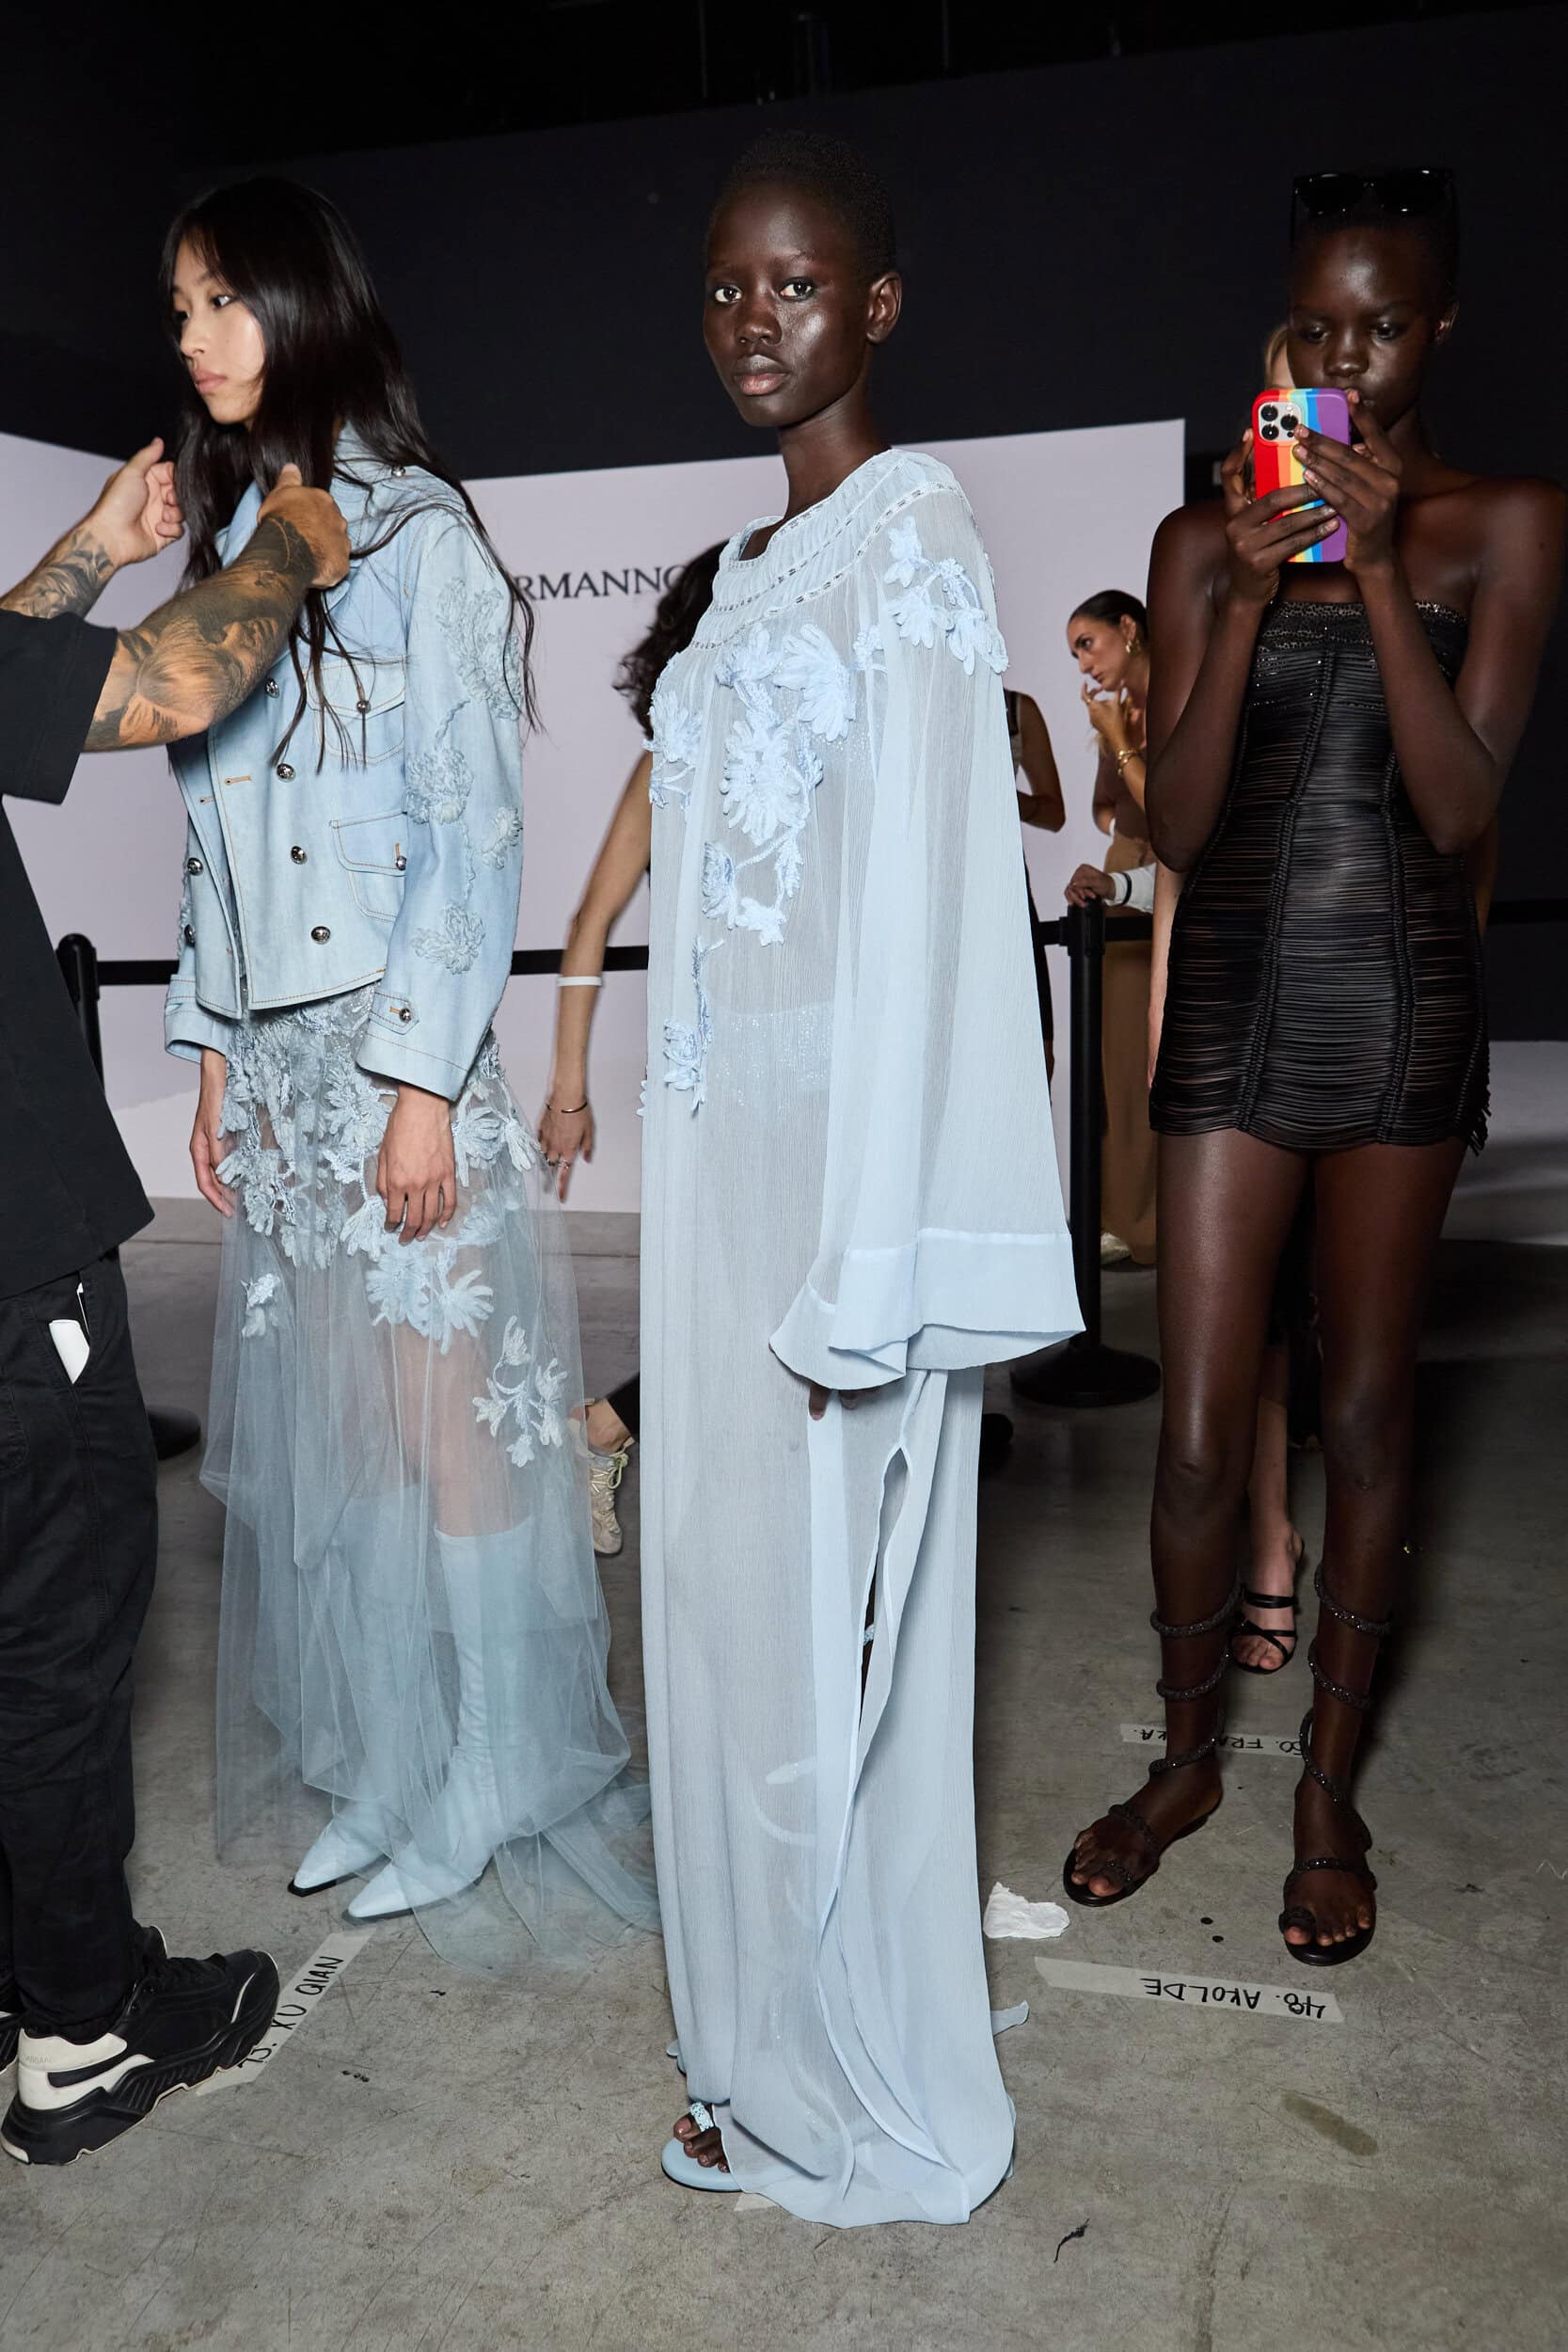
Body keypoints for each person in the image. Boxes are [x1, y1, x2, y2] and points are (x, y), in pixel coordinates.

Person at [642, 129, 1078, 2222]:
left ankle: (832, 2066)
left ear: (876, 304)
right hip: (720, 1166)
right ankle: (746, 2037)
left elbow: (931, 907)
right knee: (725, 1614)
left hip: (836, 1192)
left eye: (796, 284)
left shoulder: (913, 529)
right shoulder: (741, 572)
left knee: (831, 1623)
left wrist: (877, 1250)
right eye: (728, 287)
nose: (755, 321)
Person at [1067, 167, 1564, 1963]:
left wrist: (1369, 560)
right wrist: (1250, 595)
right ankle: (1184, 1760)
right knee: (1201, 1426)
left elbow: (1456, 804)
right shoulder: (1203, 542)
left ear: (1440, 328)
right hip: (1234, 998)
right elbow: (1187, 822)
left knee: (1362, 1414)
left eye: (1383, 324)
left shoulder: (1507, 521)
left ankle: (1328, 1794)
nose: (1346, 357)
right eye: (1317, 325)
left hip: (1401, 998)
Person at [162, 177, 657, 1952]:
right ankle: (391, 1754)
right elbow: (212, 842)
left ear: (303, 307)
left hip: (393, 1060)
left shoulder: (420, 534)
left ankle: (499, 1763)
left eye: (224, 300)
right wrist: (211, 1059)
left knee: (451, 1432)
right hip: (282, 1072)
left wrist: (425, 1087)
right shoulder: (238, 547)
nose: (196, 337)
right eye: (181, 309)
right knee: (344, 1440)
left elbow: (472, 830)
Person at [0, 437, 350, 2162]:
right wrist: (286, 540)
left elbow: (12, 672)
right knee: (57, 1636)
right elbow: (181, 683)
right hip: (10, 1265)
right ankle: (78, 2027)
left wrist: (89, 546)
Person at [538, 546, 724, 1555]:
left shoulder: (819, 743)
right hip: (714, 1069)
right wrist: (568, 1090)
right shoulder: (670, 764)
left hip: (815, 1062)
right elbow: (588, 925)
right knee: (746, 1292)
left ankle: (604, 1428)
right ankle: (604, 1428)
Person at [1068, 592, 1158, 1266]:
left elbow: (1176, 810)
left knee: (1161, 1057)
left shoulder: (1178, 696)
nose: (1082, 664)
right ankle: (1123, 1218)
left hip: (1172, 877)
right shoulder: (1119, 709)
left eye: (1086, 644)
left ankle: (1161, 1220)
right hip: (1127, 875)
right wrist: (1111, 745)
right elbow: (1106, 807)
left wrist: (1124, 746)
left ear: (1127, 628)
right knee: (1119, 1061)